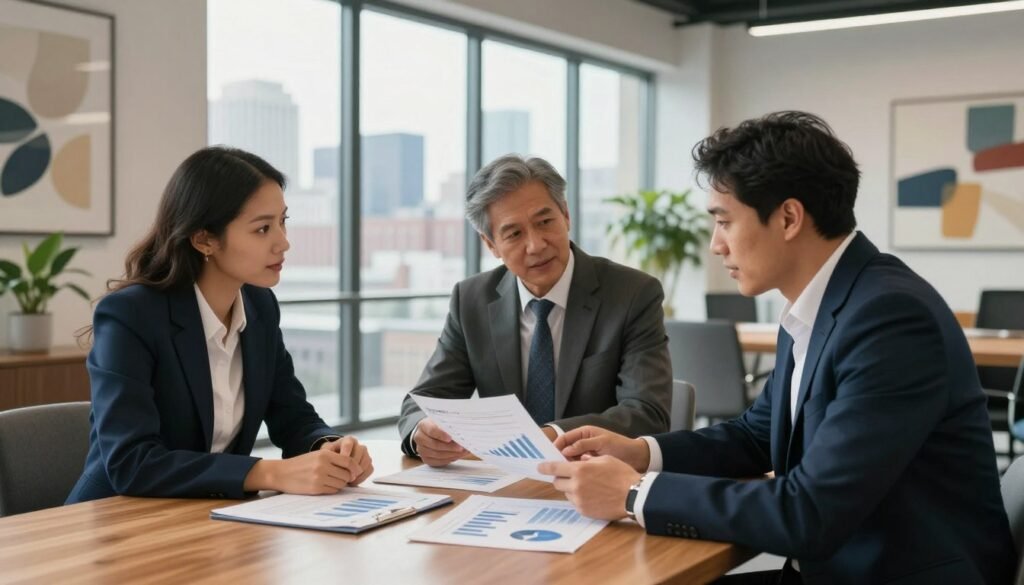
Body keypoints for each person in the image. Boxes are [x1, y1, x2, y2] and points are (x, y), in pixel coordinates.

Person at [539, 112, 1015, 585]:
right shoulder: (821, 300)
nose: (716, 245)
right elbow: (756, 435)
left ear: (788, 217)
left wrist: (634, 493)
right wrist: (641, 453)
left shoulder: (888, 318)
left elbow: (810, 512)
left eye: (724, 221)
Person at [67, 147, 372, 503]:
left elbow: (292, 415)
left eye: (282, 221)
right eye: (262, 229)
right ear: (204, 239)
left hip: (207, 515)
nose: (283, 242)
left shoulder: (259, 307)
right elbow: (132, 463)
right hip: (116, 520)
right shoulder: (130, 315)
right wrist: (268, 472)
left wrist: (329, 448)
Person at [398, 154, 672, 466]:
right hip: (503, 487)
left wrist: (551, 435)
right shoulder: (471, 299)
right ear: (491, 245)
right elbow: (423, 402)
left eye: (544, 222)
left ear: (566, 215)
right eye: (514, 234)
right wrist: (423, 431)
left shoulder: (632, 294)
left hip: (599, 479)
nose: (536, 245)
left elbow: (647, 412)